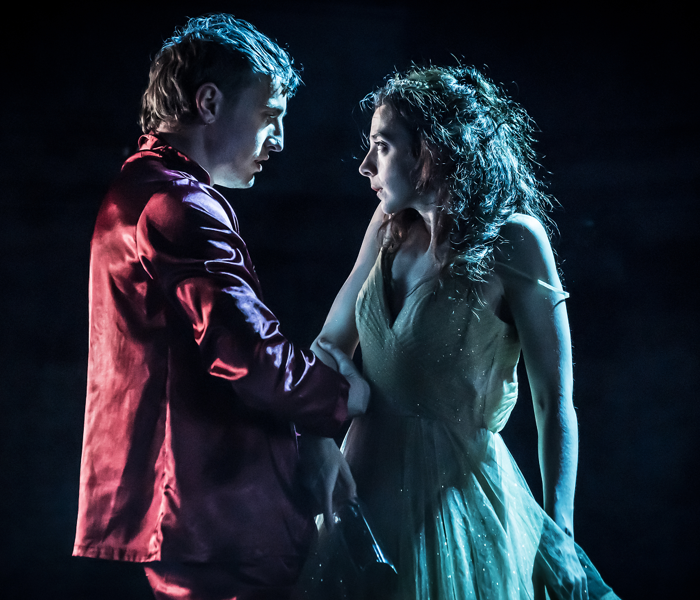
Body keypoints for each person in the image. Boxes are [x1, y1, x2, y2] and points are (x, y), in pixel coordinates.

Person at [295, 66, 619, 599]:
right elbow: (329, 343)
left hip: (458, 509)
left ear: (431, 150)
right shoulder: (385, 227)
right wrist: (333, 413)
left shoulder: (515, 241)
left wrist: (560, 530)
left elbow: (554, 399)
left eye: (381, 146)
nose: (364, 166)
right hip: (366, 497)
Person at [73, 14, 367, 600]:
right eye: (269, 116)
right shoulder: (175, 204)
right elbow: (253, 356)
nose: (278, 141)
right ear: (208, 102)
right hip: (213, 510)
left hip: (192, 510)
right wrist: (341, 399)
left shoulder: (142, 190)